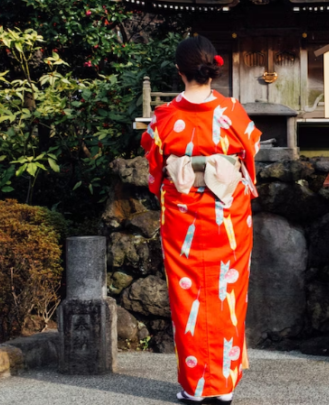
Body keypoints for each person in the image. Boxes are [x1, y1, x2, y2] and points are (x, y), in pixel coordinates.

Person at [141, 35, 262, 403]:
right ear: (213, 70)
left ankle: (195, 386)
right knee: (227, 292)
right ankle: (223, 385)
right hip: (228, 214)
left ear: (179, 71)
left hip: (182, 216)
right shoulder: (233, 112)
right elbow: (251, 151)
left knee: (187, 295)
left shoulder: (164, 117)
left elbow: (155, 167)